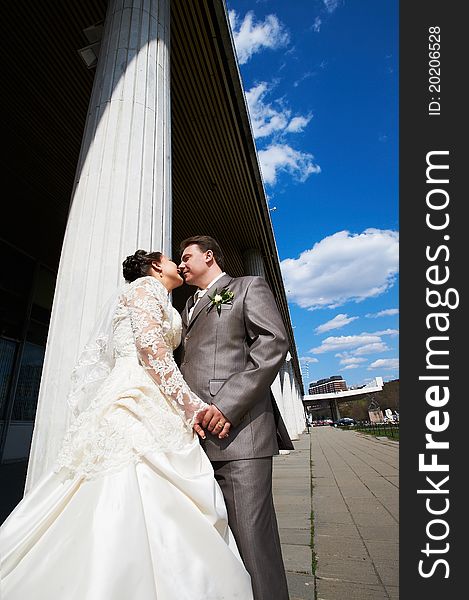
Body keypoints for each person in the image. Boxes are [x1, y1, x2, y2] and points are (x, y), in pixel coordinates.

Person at [0, 250, 254, 600]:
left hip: (153, 394)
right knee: (127, 479)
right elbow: (150, 350)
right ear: (154, 267)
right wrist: (192, 406)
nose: (177, 266)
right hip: (136, 393)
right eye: (171, 260)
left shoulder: (159, 297)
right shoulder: (145, 289)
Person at [178, 235, 293, 600]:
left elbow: (272, 343)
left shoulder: (246, 287)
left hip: (240, 435)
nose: (180, 265)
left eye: (186, 257)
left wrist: (226, 405)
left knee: (253, 541)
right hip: (195, 438)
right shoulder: (187, 307)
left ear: (209, 256)